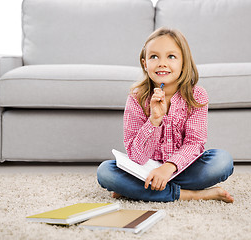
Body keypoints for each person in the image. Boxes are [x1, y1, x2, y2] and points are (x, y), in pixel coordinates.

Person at [97, 27, 234, 203]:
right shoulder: (136, 98)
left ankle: (137, 190)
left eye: (171, 56)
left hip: (183, 169)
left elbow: (194, 143)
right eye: (154, 56)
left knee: (222, 161)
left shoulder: (197, 96)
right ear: (145, 63)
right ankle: (191, 195)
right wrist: (154, 120)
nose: (162, 63)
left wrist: (169, 167)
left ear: (184, 63)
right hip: (146, 170)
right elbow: (136, 156)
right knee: (106, 172)